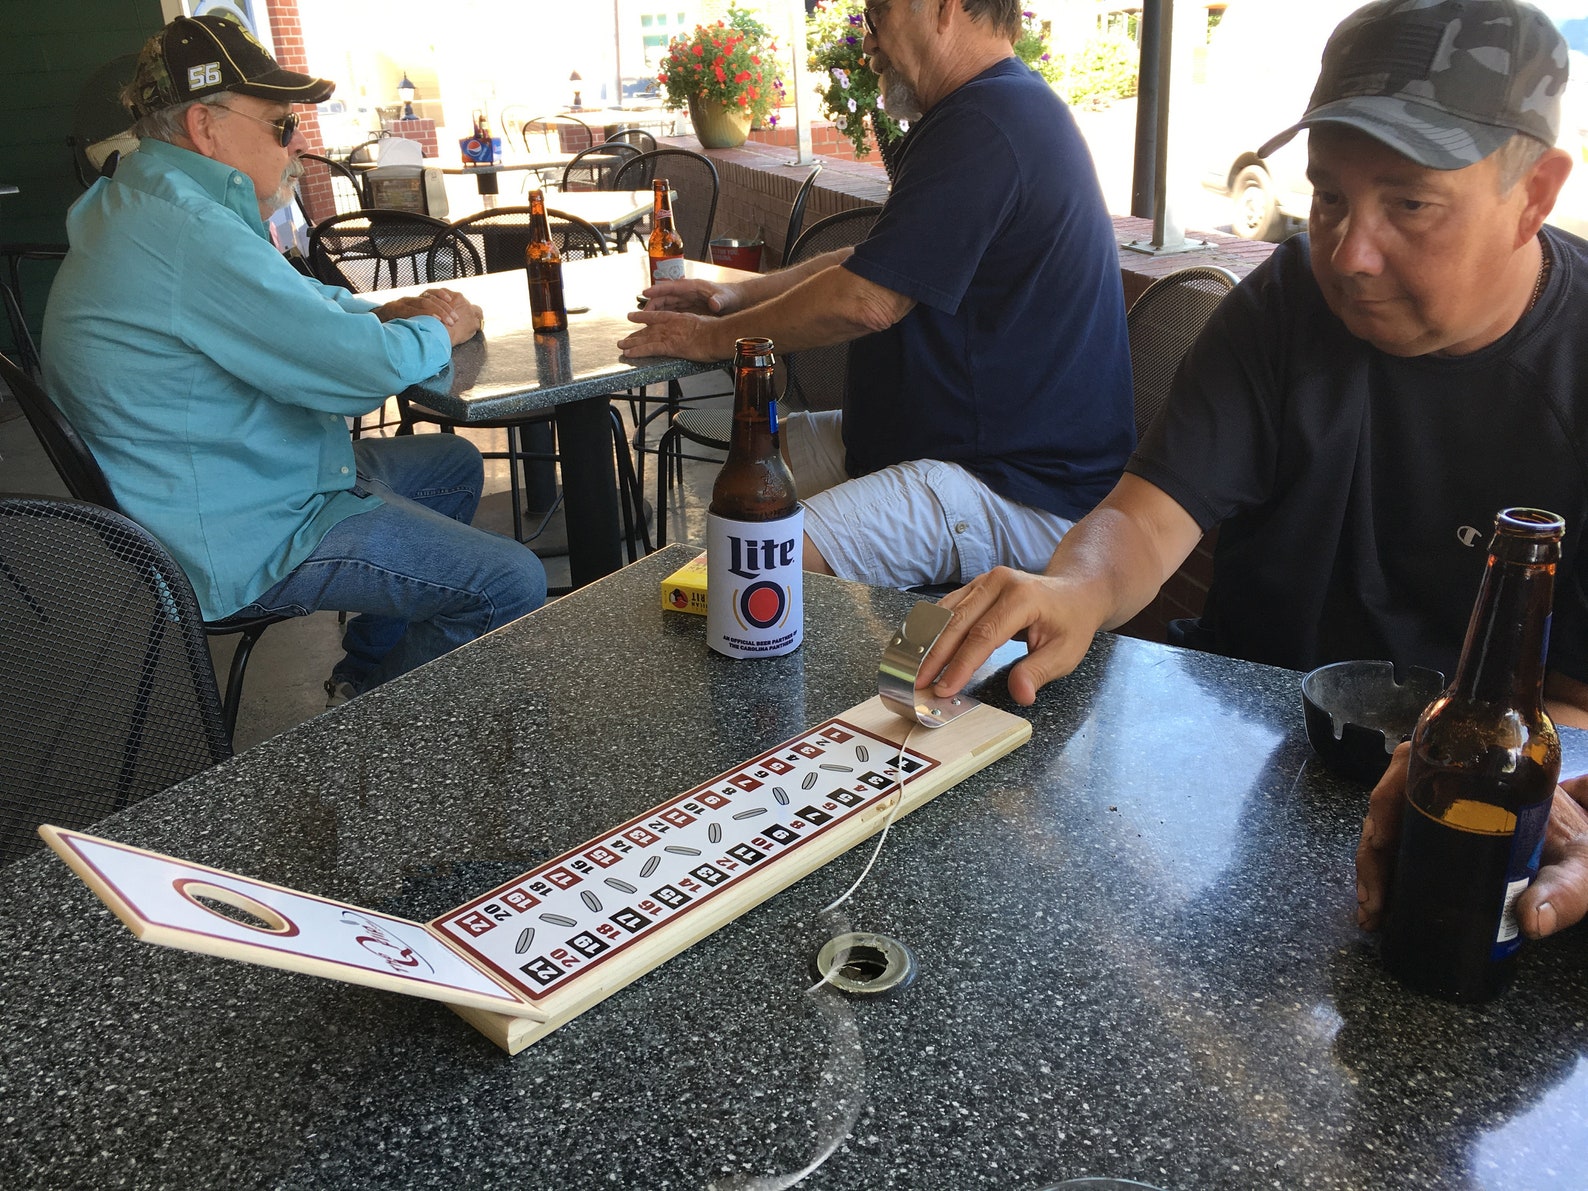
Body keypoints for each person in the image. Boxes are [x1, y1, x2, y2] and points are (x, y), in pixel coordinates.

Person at [919, 1, 1588, 932]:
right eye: (1329, 198)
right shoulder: (1285, 300)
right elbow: (1148, 514)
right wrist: (1071, 584)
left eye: (1410, 203)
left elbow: (1576, 708)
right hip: (1235, 761)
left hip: (1459, 834)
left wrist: (1496, 780)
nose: (1351, 254)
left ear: (1537, 193)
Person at [41, 13, 546, 706]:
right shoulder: (189, 231)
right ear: (204, 127)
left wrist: (383, 311)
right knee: (510, 580)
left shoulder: (143, 199)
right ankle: (373, 739)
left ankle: (365, 677)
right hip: (237, 532)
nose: (297, 141)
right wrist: (443, 329)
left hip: (212, 486)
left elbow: (289, 302)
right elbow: (355, 376)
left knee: (452, 465)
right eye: (281, 123)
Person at [618, 0, 1133, 589]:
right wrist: (735, 298)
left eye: (877, 15)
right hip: (945, 447)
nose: (868, 45)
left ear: (941, 9)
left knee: (746, 572)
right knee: (749, 477)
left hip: (1013, 486)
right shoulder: (992, 108)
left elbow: (867, 300)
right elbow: (871, 267)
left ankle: (814, 672)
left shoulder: (986, 120)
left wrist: (711, 342)